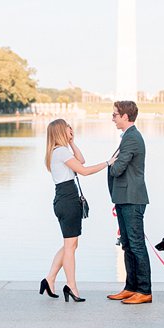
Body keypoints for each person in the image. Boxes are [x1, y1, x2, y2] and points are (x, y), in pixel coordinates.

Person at [41, 119, 117, 303]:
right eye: (68, 127)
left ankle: (49, 279)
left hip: (65, 199)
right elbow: (84, 170)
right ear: (60, 131)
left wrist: (72, 142)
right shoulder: (60, 152)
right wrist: (108, 163)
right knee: (70, 246)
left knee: (71, 245)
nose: (71, 128)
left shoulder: (59, 151)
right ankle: (71, 286)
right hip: (68, 200)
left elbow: (81, 160)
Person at [106, 101, 152, 305]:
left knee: (136, 244)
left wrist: (111, 164)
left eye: (115, 115)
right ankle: (131, 287)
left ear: (125, 117)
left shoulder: (132, 138)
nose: (113, 118)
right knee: (127, 244)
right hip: (124, 198)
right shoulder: (127, 137)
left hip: (132, 199)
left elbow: (116, 169)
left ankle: (144, 290)